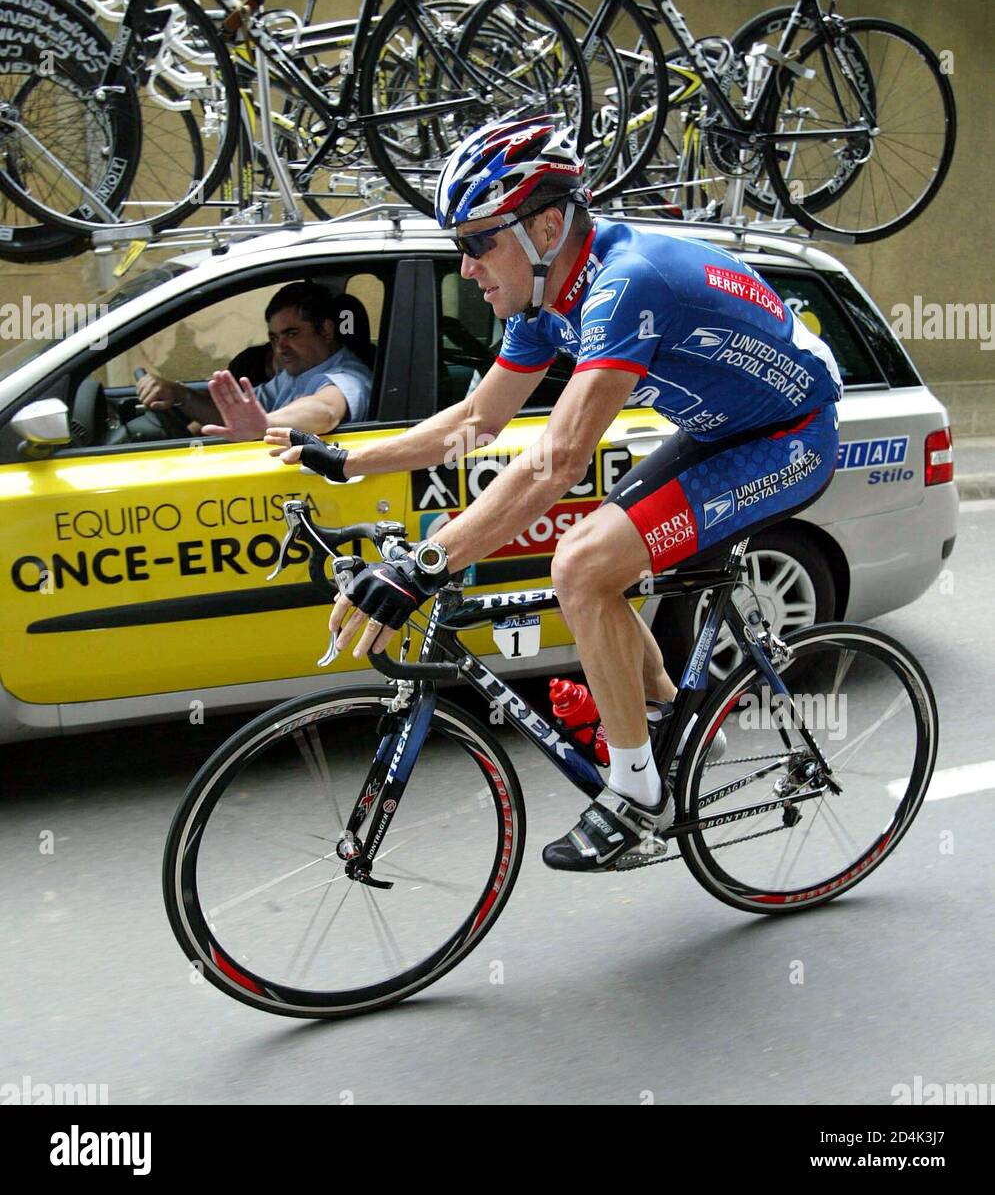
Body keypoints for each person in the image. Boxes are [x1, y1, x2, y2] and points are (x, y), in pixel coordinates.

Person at [266, 116, 842, 872]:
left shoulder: (626, 281)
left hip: (789, 436)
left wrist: (424, 566)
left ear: (544, 225)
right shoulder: (544, 297)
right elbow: (478, 418)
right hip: (717, 428)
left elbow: (556, 461)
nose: (466, 266)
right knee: (595, 566)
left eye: (477, 241)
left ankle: (639, 798)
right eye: (459, 245)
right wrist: (348, 463)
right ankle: (673, 719)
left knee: (580, 565)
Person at [137, 283, 373, 441]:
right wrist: (181, 395)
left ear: (326, 330)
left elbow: (325, 410)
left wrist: (265, 424)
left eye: (292, 333)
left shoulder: (347, 376)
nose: (280, 347)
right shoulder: (295, 375)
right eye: (274, 337)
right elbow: (237, 415)